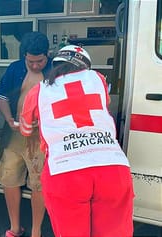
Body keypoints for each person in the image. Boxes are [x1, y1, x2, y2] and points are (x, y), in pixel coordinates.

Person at [19, 45, 134, 237]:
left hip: (65, 171)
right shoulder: (98, 79)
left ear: (55, 66)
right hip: (112, 166)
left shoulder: (38, 91)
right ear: (85, 66)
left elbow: (25, 129)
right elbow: (104, 106)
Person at [0, 31, 52, 237]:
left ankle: (36, 231)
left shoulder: (56, 71)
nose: (36, 65)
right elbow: (2, 98)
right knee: (9, 177)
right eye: (31, 61)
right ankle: (14, 227)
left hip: (42, 138)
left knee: (39, 183)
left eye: (40, 61)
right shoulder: (15, 68)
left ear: (48, 55)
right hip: (15, 134)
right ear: (24, 57)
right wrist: (10, 119)